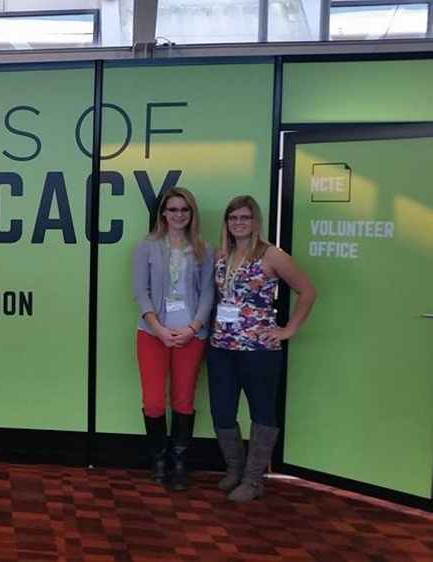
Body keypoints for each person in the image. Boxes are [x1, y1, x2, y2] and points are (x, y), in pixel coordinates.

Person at [208, 195, 316, 502]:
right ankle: (235, 469)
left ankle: (254, 479)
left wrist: (288, 329)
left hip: (259, 349)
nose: (239, 223)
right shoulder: (220, 254)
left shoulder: (271, 255)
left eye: (245, 218)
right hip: (221, 347)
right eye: (233, 218)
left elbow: (307, 291)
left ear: (255, 221)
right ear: (227, 223)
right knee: (222, 411)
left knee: (262, 411)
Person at [132, 187, 215, 490]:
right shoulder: (147, 247)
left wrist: (193, 328)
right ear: (163, 214)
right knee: (154, 400)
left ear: (192, 214)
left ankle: (179, 461)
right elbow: (141, 292)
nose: (179, 215)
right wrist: (159, 328)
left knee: (183, 398)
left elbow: (208, 293)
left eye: (185, 209)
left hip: (192, 336)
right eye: (173, 209)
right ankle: (157, 458)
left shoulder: (205, 249)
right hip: (153, 334)